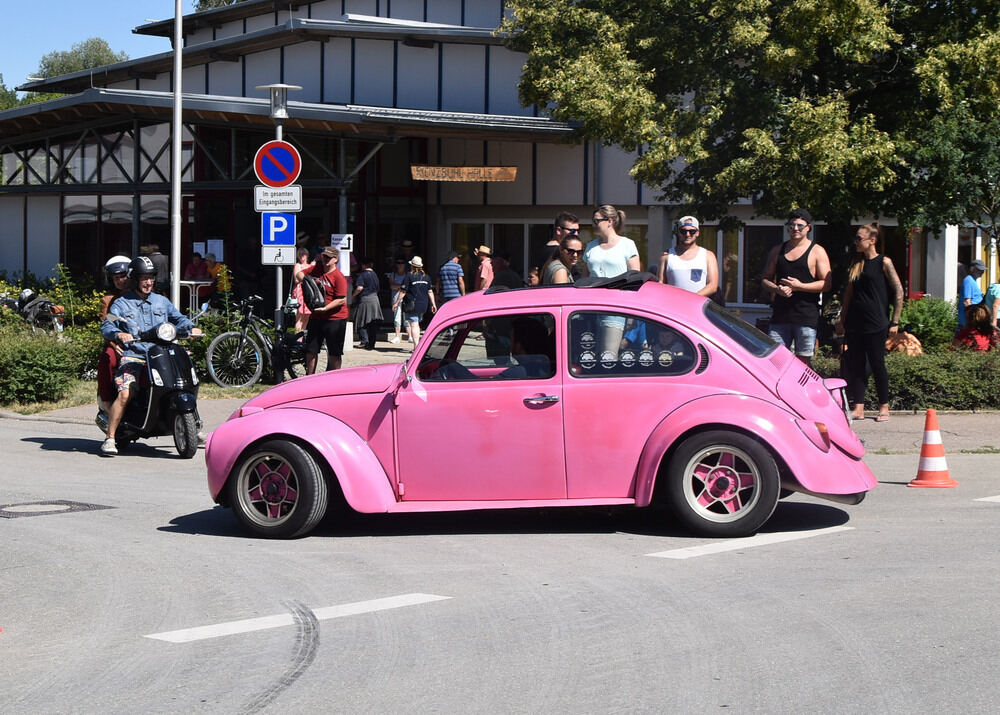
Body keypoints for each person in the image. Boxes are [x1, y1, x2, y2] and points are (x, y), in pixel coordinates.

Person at [99, 256, 199, 455]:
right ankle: (110, 437)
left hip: (161, 354)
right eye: (144, 278)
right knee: (127, 391)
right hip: (135, 356)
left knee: (186, 381)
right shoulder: (121, 304)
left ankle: (192, 424)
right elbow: (107, 324)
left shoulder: (162, 301)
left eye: (151, 278)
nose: (148, 282)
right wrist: (118, 333)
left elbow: (178, 318)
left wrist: (191, 327)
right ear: (135, 279)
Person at [834, 223, 904, 422]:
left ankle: (884, 406)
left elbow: (899, 291)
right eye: (855, 238)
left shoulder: (884, 262)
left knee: (877, 363)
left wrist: (895, 321)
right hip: (856, 322)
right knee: (857, 364)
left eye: (859, 238)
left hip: (877, 322)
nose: (855, 242)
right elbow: (848, 294)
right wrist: (842, 319)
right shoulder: (856, 263)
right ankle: (859, 407)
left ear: (872, 240)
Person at [761, 208, 832, 366]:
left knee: (803, 362)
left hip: (805, 317)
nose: (795, 229)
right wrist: (777, 289)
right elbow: (765, 279)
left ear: (808, 228)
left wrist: (800, 286)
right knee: (776, 360)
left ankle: (802, 391)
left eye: (800, 225)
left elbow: (826, 284)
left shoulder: (817, 252)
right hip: (780, 316)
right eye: (791, 225)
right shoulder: (777, 250)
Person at [584, 204, 641, 357]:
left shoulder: (627, 245)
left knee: (607, 356)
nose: (593, 224)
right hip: (591, 307)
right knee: (589, 355)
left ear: (610, 221)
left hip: (616, 306)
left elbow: (635, 280)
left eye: (597, 221)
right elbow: (585, 278)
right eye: (593, 221)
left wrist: (632, 314)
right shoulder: (591, 247)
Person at [295, 246, 349, 373]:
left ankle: (332, 379)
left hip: (335, 318)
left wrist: (325, 308)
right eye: (324, 256)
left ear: (335, 259)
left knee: (334, 352)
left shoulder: (339, 277)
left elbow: (341, 299)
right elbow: (299, 274)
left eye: (329, 258)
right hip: (317, 316)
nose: (325, 260)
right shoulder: (318, 268)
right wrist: (309, 282)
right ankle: (309, 378)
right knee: (311, 349)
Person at [97, 255, 132, 416]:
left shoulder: (143, 296)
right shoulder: (110, 301)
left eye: (123, 276)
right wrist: (115, 344)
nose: (120, 281)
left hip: (143, 343)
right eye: (116, 278)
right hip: (118, 344)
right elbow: (107, 324)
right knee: (108, 359)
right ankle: (107, 404)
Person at [658, 215, 719, 297]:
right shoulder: (666, 256)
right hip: (672, 306)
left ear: (697, 233)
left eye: (692, 231)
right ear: (678, 232)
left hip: (697, 307)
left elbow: (712, 286)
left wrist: (691, 299)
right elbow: (660, 284)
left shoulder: (708, 256)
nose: (687, 234)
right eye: (683, 231)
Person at [392, 256, 436, 346]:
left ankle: (416, 347)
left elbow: (403, 291)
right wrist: (433, 304)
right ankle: (417, 345)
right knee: (416, 323)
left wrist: (396, 303)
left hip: (412, 304)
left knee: (414, 324)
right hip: (423, 304)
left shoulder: (409, 276)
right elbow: (430, 291)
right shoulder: (426, 277)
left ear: (412, 266)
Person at [533, 211, 580, 278]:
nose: (576, 234)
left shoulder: (546, 249)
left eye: (578, 231)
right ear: (559, 230)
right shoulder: (557, 251)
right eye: (572, 231)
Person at [352, 257, 382, 350]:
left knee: (361, 320)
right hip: (375, 299)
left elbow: (359, 288)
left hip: (365, 300)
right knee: (372, 322)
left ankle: (364, 341)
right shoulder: (375, 275)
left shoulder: (363, 275)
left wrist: (353, 296)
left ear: (363, 265)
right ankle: (372, 343)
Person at [958, 259, 986, 329]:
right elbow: (967, 302)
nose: (982, 272)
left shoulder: (973, 280)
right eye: (979, 270)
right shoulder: (969, 280)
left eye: (983, 270)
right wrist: (971, 319)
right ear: (972, 269)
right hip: (968, 321)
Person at [291, 247, 312, 332]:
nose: (302, 256)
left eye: (304, 254)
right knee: (299, 319)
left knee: (306, 318)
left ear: (307, 255)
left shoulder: (310, 266)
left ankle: (301, 339)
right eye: (300, 254)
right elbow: (296, 280)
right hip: (300, 292)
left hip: (308, 292)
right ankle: (297, 341)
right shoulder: (297, 265)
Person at [387, 258, 408, 343]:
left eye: (402, 263)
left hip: (406, 297)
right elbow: (392, 286)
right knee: (397, 317)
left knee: (407, 317)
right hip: (396, 298)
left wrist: (398, 286)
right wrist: (403, 286)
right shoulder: (393, 274)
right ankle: (397, 336)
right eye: (398, 263)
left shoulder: (407, 274)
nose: (400, 264)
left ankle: (409, 335)